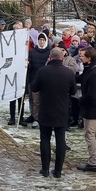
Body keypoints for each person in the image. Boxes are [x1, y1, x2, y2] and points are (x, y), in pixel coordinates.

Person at [31, 48, 74, 178]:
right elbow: (72, 91)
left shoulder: (43, 71)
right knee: (60, 139)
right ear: (62, 58)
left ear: (50, 57)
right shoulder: (68, 72)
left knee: (45, 138)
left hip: (46, 109)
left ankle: (45, 169)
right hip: (61, 110)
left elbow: (34, 87)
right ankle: (58, 171)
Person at [77, 47, 96, 172]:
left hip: (93, 109)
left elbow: (91, 95)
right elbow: (81, 78)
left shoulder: (95, 73)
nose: (81, 58)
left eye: (83, 56)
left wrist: (80, 101)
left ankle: (93, 162)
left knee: (91, 134)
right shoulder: (91, 69)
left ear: (89, 58)